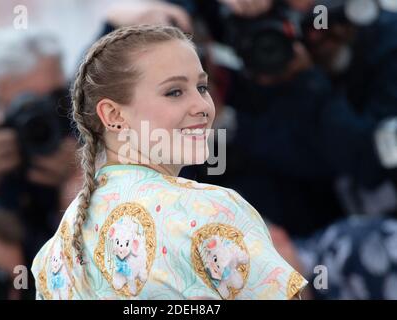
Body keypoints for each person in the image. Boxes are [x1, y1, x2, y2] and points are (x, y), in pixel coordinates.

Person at [31, 25, 307, 300]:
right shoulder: (208, 211)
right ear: (113, 114)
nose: (202, 105)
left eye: (202, 87)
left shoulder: (53, 256)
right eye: (174, 92)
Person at [0, 28, 81, 260]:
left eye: (54, 99)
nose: (44, 117)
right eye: (26, 107)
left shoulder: (100, 146)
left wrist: (85, 179)